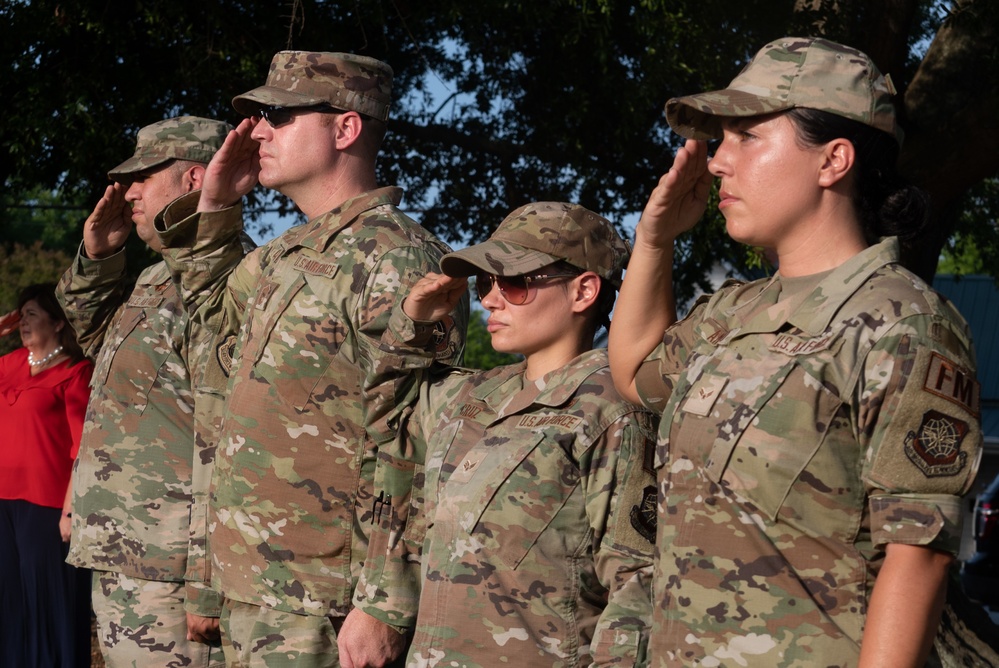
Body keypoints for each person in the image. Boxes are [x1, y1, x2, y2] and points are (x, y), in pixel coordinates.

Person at [608, 37, 983, 667]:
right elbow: (634, 374)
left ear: (833, 159)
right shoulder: (737, 311)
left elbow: (918, 553)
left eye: (746, 137)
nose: (717, 162)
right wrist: (653, 241)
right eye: (721, 140)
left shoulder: (900, 319)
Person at [154, 51, 468, 666]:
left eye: (280, 115)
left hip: (325, 598)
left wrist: (383, 600)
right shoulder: (282, 255)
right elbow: (205, 352)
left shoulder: (396, 258)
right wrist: (216, 209)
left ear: (345, 128)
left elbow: (412, 439)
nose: (258, 132)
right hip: (255, 584)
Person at [340, 202, 658, 667]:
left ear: (584, 291)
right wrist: (416, 320)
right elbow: (387, 415)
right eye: (486, 283)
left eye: (513, 282)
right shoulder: (474, 392)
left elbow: (637, 586)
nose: (489, 299)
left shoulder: (612, 409)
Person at [57, 116, 236, 668]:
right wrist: (101, 259)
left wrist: (207, 581)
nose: (129, 191)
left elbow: (226, 439)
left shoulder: (227, 281)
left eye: (145, 175)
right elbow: (99, 348)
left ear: (193, 180)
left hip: (172, 566)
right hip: (128, 551)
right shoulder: (155, 277)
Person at [0, 284, 93, 668]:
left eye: (33, 314)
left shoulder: (76, 371)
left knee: (48, 605)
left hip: (48, 506)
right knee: (9, 604)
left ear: (57, 322)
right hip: (3, 502)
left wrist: (70, 510)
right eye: (21, 315)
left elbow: (82, 446)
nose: (24, 322)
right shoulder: (8, 365)